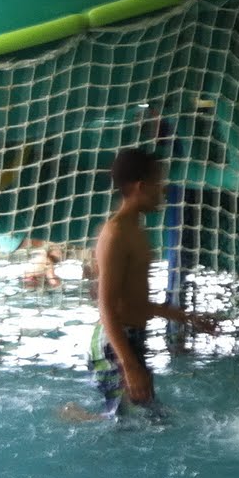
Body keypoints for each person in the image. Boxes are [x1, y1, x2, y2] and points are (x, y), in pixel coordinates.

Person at [83, 148, 221, 418]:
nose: (164, 190)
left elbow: (135, 303)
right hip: (114, 343)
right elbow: (106, 306)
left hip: (129, 339)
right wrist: (129, 364)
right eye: (158, 183)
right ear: (141, 186)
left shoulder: (137, 231)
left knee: (151, 421)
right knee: (124, 426)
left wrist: (187, 317)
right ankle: (74, 417)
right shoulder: (115, 234)